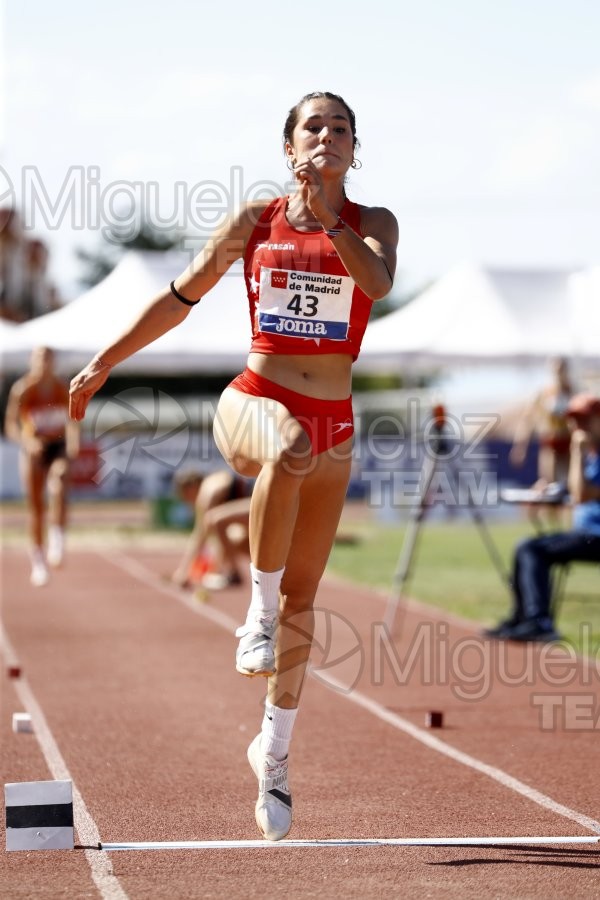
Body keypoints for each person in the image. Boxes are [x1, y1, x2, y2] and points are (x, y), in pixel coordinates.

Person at [69, 91, 398, 841]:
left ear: (355, 146)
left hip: (336, 420)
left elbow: (374, 285)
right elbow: (178, 298)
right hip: (255, 395)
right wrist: (102, 363)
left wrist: (332, 215)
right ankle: (252, 610)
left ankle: (273, 757)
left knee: (305, 604)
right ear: (290, 147)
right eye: (313, 126)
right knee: (286, 447)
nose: (327, 135)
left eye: (340, 127)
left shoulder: (374, 225)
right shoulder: (256, 221)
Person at [486, 393, 600, 642]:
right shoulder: (592, 455)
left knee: (531, 549)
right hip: (586, 534)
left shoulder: (586, 454)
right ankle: (522, 618)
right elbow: (576, 491)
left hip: (595, 537)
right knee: (525, 546)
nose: (577, 427)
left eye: (584, 420)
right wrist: (550, 491)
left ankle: (539, 622)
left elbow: (582, 494)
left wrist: (577, 452)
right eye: (574, 420)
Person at [5, 346, 80, 586]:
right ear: (31, 361)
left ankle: (57, 538)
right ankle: (38, 561)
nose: (43, 362)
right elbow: (10, 425)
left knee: (59, 484)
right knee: (36, 507)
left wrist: (73, 446)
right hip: (34, 449)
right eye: (39, 358)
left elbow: (73, 420)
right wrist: (28, 442)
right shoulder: (23, 389)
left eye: (48, 358)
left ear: (53, 361)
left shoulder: (62, 388)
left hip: (57, 445)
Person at [171, 468, 252, 590]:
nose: (187, 501)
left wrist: (183, 570)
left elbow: (200, 535)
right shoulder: (213, 486)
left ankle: (235, 574)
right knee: (236, 540)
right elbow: (219, 541)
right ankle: (273, 570)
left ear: (190, 487)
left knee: (215, 520)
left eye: (185, 495)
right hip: (253, 506)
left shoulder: (207, 492)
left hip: (259, 502)